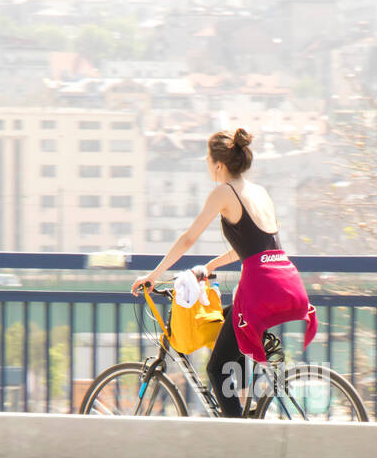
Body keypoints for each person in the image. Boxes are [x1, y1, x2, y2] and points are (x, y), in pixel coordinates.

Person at [131, 127, 317, 417]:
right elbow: (253, 247)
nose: (207, 165)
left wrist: (153, 276)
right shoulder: (259, 192)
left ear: (218, 164)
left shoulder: (223, 192)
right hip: (285, 279)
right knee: (228, 320)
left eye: (207, 159)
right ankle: (247, 403)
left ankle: (239, 436)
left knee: (216, 369)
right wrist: (209, 267)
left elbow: (188, 239)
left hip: (259, 287)